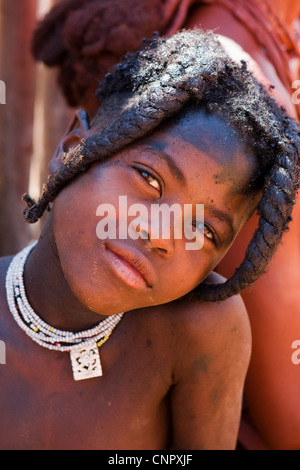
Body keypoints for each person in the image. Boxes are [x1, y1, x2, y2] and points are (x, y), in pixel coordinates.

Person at [1, 29, 300, 450]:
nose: (161, 236)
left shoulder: (199, 330)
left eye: (203, 230)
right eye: (149, 178)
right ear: (73, 148)